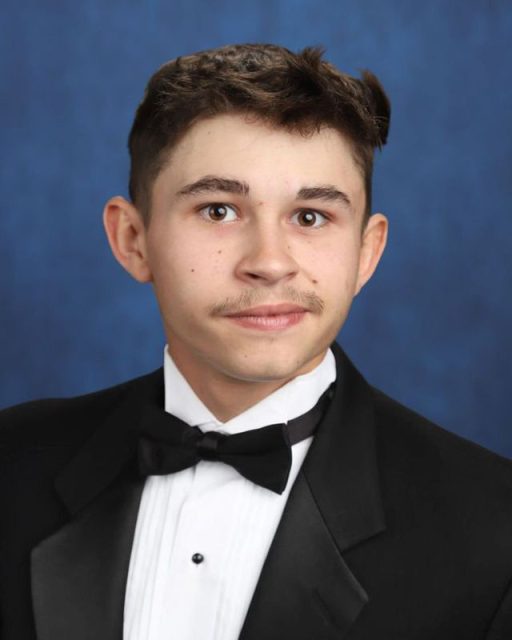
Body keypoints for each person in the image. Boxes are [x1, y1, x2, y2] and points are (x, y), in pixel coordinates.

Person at [1, 43, 511, 640]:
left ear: (366, 252)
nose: (269, 263)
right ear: (133, 239)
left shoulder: (494, 530)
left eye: (311, 216)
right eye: (219, 210)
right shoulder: (12, 462)